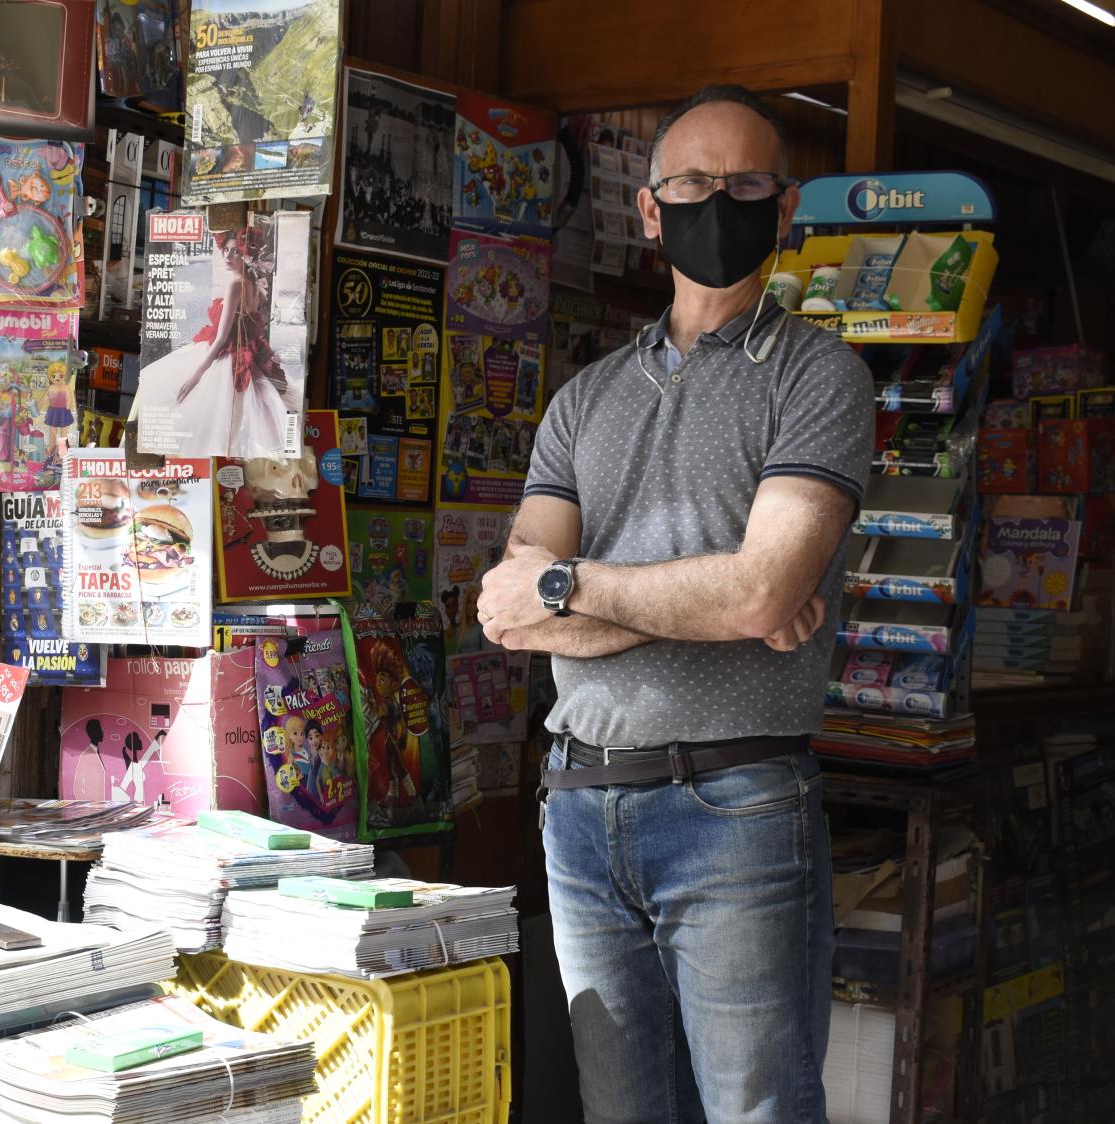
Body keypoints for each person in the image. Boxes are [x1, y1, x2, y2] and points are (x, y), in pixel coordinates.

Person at [475, 85, 873, 1122]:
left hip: (734, 803)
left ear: (782, 210)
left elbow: (762, 587)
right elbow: (510, 611)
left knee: (755, 1108)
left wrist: (577, 585)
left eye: (744, 185)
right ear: (648, 210)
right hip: (579, 808)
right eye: (693, 184)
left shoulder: (817, 377)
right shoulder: (583, 400)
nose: (717, 203)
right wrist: (719, 594)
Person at [129, 227, 292, 456]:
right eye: (226, 249)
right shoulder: (252, 282)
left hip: (226, 354)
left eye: (235, 251)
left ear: (246, 253)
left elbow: (221, 338)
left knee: (187, 409)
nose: (227, 256)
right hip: (241, 354)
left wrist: (197, 375)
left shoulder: (236, 284)